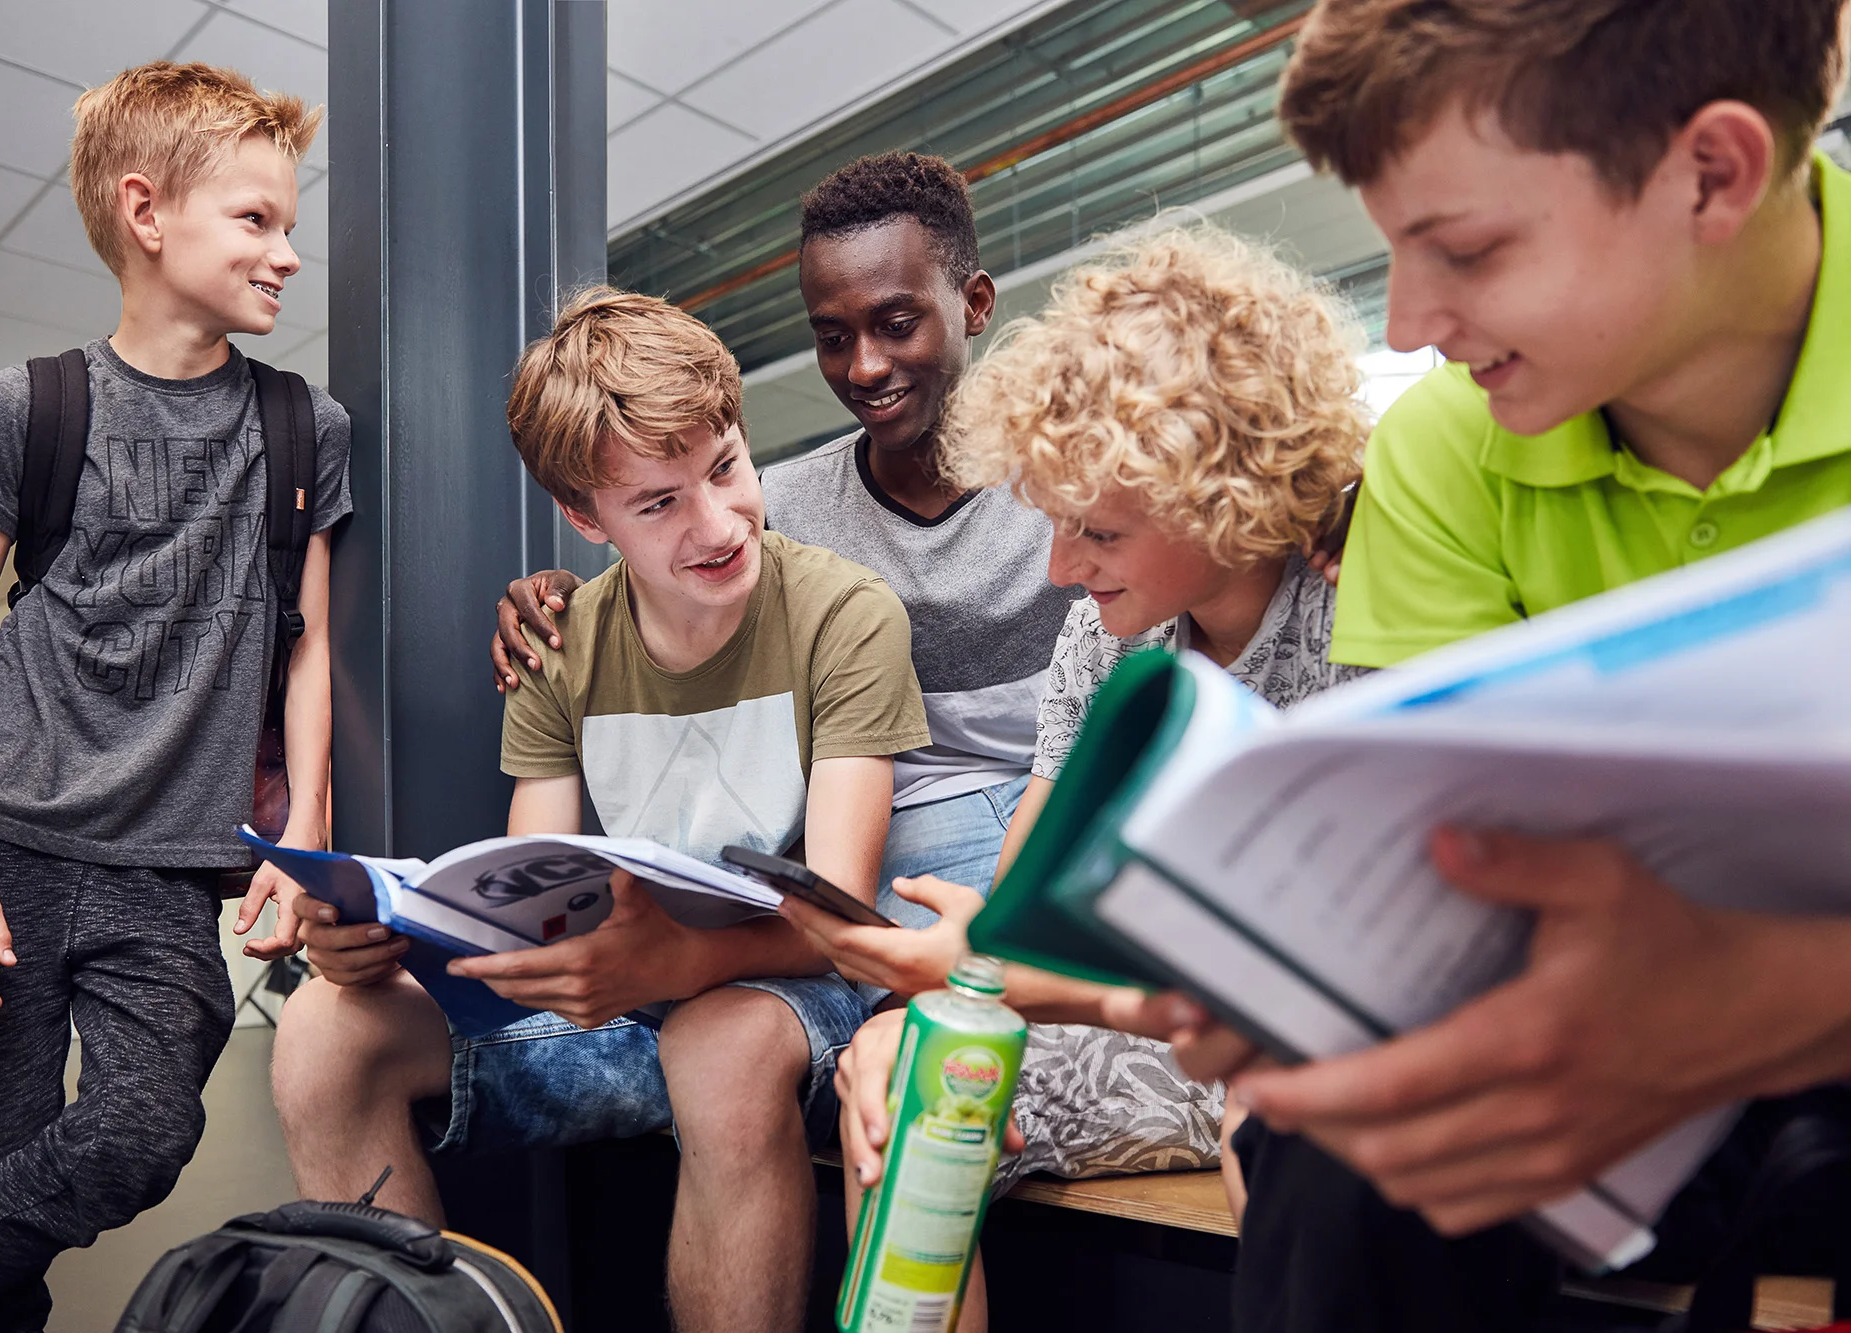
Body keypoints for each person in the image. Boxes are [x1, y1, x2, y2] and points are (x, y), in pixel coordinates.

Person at [1128, 3, 1851, 1329]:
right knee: (1340, 1150)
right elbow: (1446, 874)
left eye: (1465, 250)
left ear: (1715, 173)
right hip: (1602, 1027)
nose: (1408, 325)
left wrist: (1787, 993)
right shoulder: (1448, 448)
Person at [272, 288, 929, 1333]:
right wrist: (380, 943)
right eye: (657, 504)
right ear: (587, 518)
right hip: (616, 1005)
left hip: (781, 995)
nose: (716, 524)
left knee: (719, 1043)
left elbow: (843, 925)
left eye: (723, 471)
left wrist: (674, 964)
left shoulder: (841, 612)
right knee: (321, 1031)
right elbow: (527, 881)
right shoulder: (561, 639)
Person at [787, 222, 1369, 1332]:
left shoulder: (1358, 618)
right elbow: (1022, 929)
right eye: (1052, 522)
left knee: (1280, 1112)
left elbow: (1307, 972)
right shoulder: (1105, 639)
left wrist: (986, 979)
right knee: (904, 1085)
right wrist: (932, 1019)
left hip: (1295, 1031)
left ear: (1222, 495)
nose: (1060, 567)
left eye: (1095, 529)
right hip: (1153, 1022)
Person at [0, 62, 347, 1333]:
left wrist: (306, 838)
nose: (286, 252)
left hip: (168, 871)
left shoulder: (303, 428)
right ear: (146, 211)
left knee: (139, 1132)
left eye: (289, 224)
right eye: (256, 219)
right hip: (4, 840)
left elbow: (307, 652)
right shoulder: (30, 405)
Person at [493, 153, 1081, 920]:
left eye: (897, 325)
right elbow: (675, 549)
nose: (865, 366)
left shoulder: (1079, 486)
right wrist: (557, 594)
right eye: (832, 337)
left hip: (1060, 806)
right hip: (883, 831)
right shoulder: (778, 502)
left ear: (973, 304)